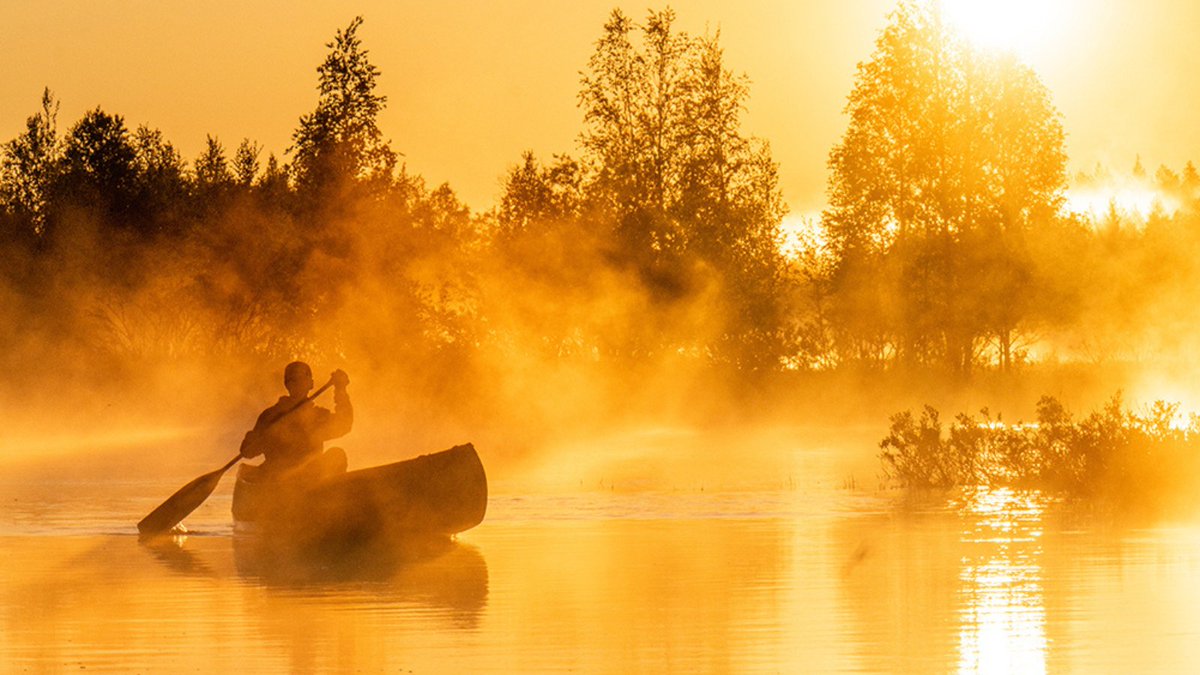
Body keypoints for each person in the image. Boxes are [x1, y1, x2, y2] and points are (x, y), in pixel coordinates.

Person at [239, 361, 353, 483]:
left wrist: (340, 390)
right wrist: (267, 434)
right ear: (287, 385)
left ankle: (330, 497)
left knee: (337, 455)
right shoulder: (270, 416)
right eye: (293, 380)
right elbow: (248, 451)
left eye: (301, 379)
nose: (298, 384)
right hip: (278, 480)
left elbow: (344, 425)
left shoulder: (317, 416)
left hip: (310, 479)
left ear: (311, 384)